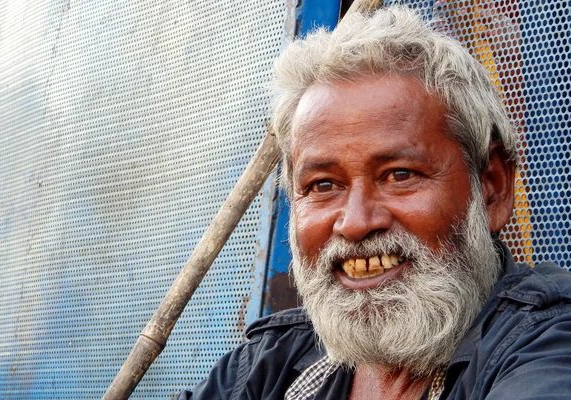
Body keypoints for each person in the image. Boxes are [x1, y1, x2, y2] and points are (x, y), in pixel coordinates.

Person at [179, 6, 571, 399]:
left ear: (491, 189)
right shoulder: (265, 369)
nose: (354, 223)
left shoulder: (548, 346)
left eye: (400, 175)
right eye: (323, 184)